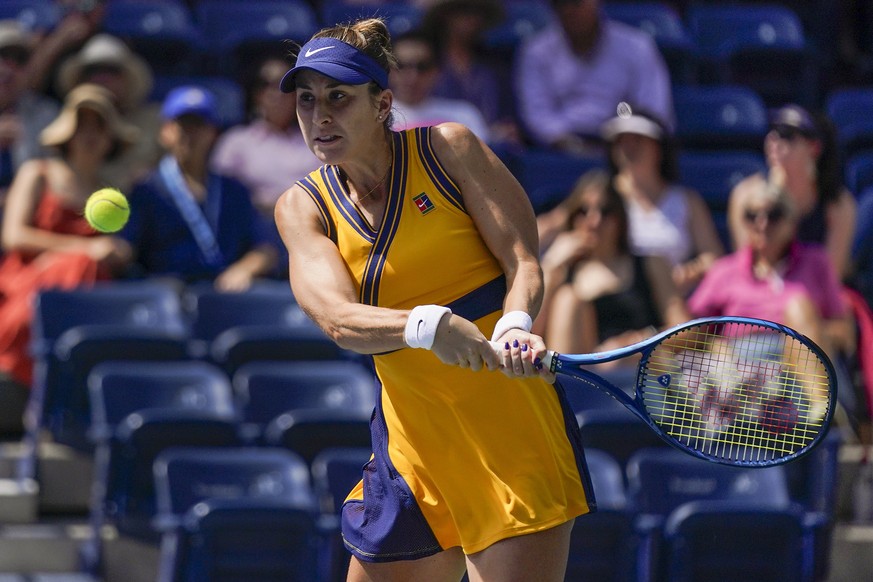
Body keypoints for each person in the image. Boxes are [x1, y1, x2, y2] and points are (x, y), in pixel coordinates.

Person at [273, 18, 592, 581]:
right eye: (306, 100)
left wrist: (515, 323)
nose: (319, 116)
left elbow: (522, 261)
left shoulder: (449, 149)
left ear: (382, 103)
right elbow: (339, 320)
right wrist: (429, 327)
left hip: (512, 437)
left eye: (339, 98)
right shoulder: (302, 207)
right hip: (411, 453)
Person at [0, 83, 136, 435]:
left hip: (85, 302)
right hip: (26, 291)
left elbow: (115, 252)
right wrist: (83, 250)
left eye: (99, 126)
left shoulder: (112, 192)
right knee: (82, 265)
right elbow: (13, 236)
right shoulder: (37, 173)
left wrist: (117, 251)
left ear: (110, 138)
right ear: (68, 133)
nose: (89, 135)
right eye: (82, 125)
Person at [690, 180, 861, 428]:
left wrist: (805, 332)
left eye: (773, 214)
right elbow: (689, 328)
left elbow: (846, 335)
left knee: (798, 306)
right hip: (740, 370)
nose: (762, 223)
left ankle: (823, 415)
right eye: (752, 215)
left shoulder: (817, 263)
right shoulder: (723, 271)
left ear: (792, 222)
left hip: (806, 365)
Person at [121, 85, 278, 291]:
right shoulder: (145, 190)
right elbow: (126, 250)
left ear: (212, 133)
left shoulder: (234, 190)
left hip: (226, 295)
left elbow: (266, 249)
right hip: (165, 299)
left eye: (198, 125)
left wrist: (244, 269)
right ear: (165, 132)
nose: (190, 134)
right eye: (183, 125)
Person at [534, 170, 690, 366]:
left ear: (620, 219)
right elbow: (531, 336)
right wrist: (551, 265)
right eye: (583, 211)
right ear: (572, 217)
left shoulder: (651, 263)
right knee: (568, 299)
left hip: (640, 371)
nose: (594, 221)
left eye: (605, 211)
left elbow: (687, 330)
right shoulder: (561, 272)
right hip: (587, 377)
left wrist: (639, 343)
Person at [514, 0, 674, 155]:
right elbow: (538, 115)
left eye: (576, 2)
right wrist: (569, 144)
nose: (568, 9)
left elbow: (653, 110)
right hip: (559, 151)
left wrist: (623, 140)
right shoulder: (535, 51)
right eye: (559, 2)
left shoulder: (638, 47)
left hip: (624, 148)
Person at [727, 104, 857, 280]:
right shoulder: (745, 196)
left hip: (819, 300)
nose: (774, 140)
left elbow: (830, 280)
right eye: (772, 131)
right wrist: (774, 197)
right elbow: (751, 269)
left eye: (786, 135)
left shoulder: (838, 204)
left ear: (814, 147)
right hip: (761, 300)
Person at [602, 105, 724, 294]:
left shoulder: (687, 201)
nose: (628, 147)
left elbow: (713, 258)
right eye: (621, 141)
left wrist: (690, 272)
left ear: (658, 147)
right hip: (616, 300)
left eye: (638, 139)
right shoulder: (600, 196)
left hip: (676, 299)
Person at [211, 53, 321, 218]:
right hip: (255, 224)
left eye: (285, 87)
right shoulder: (236, 141)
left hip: (312, 219)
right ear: (257, 95)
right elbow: (219, 194)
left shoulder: (316, 140)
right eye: (267, 85)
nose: (277, 93)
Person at [55, 33, 163, 192]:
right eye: (92, 70)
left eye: (111, 70)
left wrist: (152, 176)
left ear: (127, 79)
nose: (102, 78)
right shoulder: (62, 119)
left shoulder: (154, 120)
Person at [420, 0, 521, 145]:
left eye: (477, 11)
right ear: (445, 15)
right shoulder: (426, 62)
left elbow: (507, 116)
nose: (471, 17)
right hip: (439, 145)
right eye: (462, 9)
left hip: (492, 149)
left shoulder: (495, 65)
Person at [389, 30, 491, 142]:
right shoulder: (374, 118)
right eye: (401, 66)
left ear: (437, 71)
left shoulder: (464, 115)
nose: (413, 76)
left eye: (422, 67)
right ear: (389, 69)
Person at [0, 21, 60, 203]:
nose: (8, 67)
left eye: (19, 59)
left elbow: (59, 178)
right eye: (2, 55)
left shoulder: (47, 114)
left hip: (29, 215)